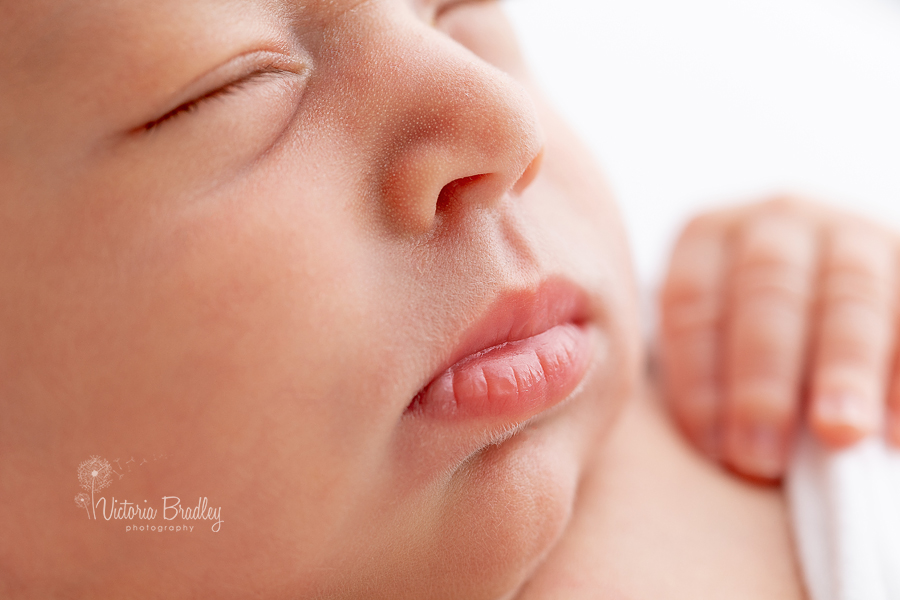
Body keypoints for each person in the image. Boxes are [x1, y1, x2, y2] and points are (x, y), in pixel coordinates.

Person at [0, 0, 895, 598]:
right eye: (231, 87)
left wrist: (839, 305)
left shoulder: (758, 384)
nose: (503, 121)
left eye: (463, 11)